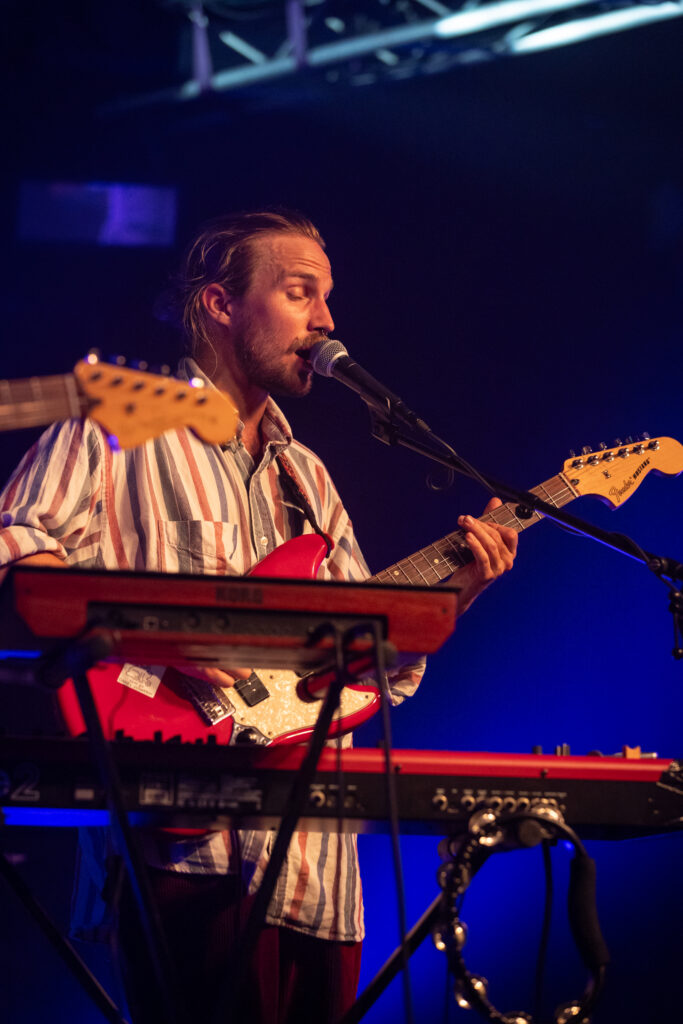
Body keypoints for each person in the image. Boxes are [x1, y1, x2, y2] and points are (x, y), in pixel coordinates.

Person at [0, 209, 518, 1023]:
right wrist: (165, 638)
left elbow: (366, 655)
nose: (326, 319)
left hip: (317, 861)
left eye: (328, 297)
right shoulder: (112, 425)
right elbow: (20, 548)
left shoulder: (306, 477)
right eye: (299, 291)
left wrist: (462, 587)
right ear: (219, 304)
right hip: (185, 831)